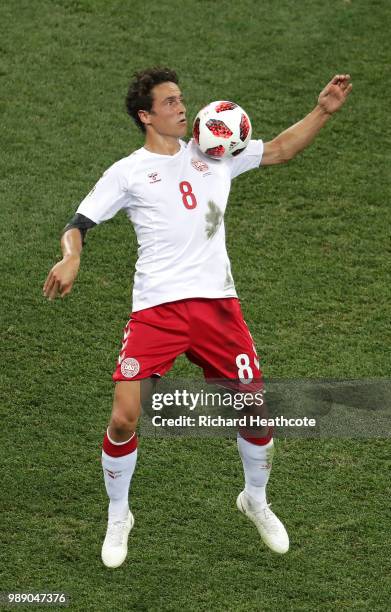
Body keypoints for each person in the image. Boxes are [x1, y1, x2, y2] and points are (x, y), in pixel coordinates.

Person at [43, 68, 352, 568]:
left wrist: (322, 110)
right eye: (170, 102)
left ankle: (255, 499)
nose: (182, 108)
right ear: (146, 115)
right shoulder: (128, 171)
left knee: (254, 413)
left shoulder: (215, 151)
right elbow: (79, 224)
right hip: (157, 311)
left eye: (181, 99)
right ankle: (118, 514)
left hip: (216, 307)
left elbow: (280, 150)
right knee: (124, 416)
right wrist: (71, 255)